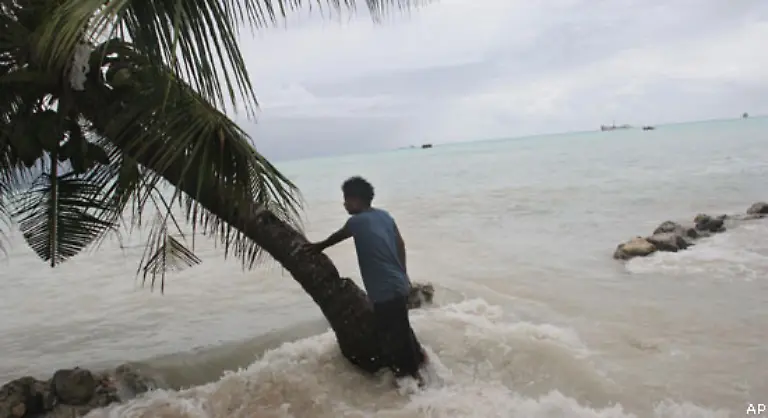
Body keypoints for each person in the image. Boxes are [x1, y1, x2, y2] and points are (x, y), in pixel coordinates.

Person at [304, 176, 427, 384]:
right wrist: (403, 273)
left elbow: (337, 236)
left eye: (347, 199)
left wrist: (318, 247)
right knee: (401, 327)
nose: (344, 204)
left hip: (383, 290)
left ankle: (409, 378)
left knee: (391, 334)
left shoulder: (356, 222)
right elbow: (401, 244)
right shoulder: (385, 216)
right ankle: (419, 367)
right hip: (399, 282)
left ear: (358, 200)